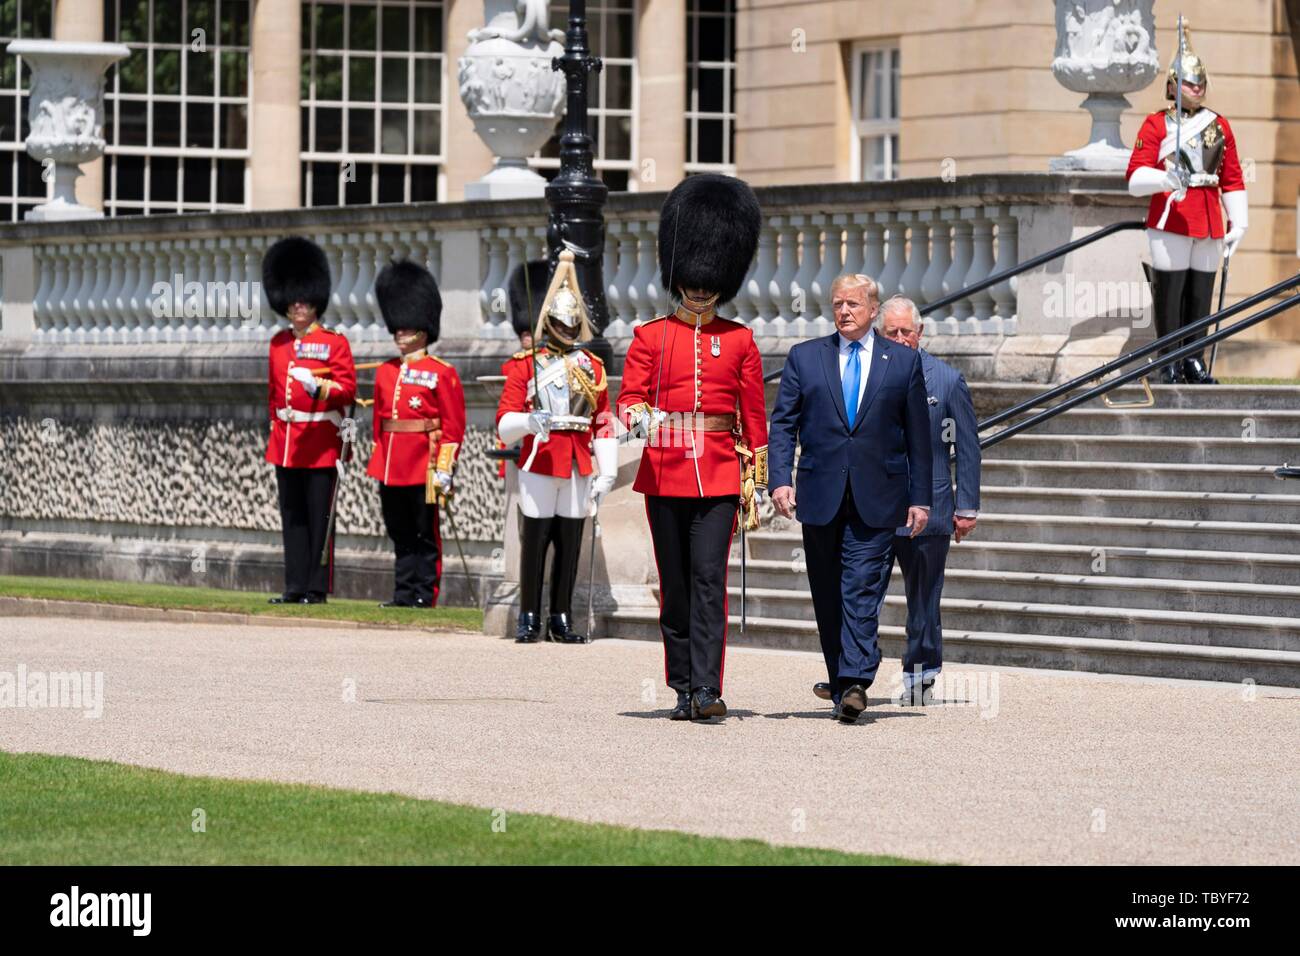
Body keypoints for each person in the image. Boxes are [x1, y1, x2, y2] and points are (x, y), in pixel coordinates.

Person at [618, 173, 767, 722]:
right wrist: (641, 420)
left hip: (722, 476)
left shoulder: (740, 339)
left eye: (710, 281)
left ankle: (707, 688)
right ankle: (680, 684)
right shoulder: (650, 336)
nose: (701, 288)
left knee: (710, 582)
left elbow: (754, 418)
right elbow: (629, 399)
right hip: (664, 473)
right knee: (676, 586)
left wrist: (762, 482)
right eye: (694, 279)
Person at [768, 274, 931, 724]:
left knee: (860, 587)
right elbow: (783, 425)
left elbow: (920, 437)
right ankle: (841, 681)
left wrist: (921, 499)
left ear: (873, 310)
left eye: (854, 304)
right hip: (820, 495)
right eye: (838, 303)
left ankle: (857, 678)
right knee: (827, 591)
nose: (844, 312)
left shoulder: (901, 362)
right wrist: (779, 480)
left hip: (878, 496)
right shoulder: (805, 358)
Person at [496, 251, 616, 644]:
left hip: (579, 461)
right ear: (548, 322)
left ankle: (561, 616)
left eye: (572, 323)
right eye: (562, 322)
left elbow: (601, 420)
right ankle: (529, 615)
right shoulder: (524, 364)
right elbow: (504, 421)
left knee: (569, 540)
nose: (567, 328)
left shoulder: (592, 367)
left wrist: (608, 469)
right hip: (541, 457)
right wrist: (528, 421)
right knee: (535, 538)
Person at [1126, 24, 1246, 385]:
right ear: (1173, 85)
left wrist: (1239, 222)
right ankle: (1168, 360)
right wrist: (1164, 179)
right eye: (1190, 83)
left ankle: (1194, 358)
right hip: (1172, 213)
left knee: (1200, 292)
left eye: (1200, 82)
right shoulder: (1156, 125)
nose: (1197, 88)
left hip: (1209, 216)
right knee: (1171, 289)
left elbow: (1232, 177)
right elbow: (1134, 178)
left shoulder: (1219, 125)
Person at [879, 296, 980, 706]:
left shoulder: (947, 380)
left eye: (907, 331)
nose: (900, 339)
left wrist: (966, 506)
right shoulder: (869, 375)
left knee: (924, 600)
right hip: (878, 507)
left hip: (934, 506)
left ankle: (921, 675)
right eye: (892, 332)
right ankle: (853, 672)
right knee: (862, 593)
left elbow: (969, 447)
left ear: (920, 334)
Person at [366, 259, 466, 608]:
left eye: (404, 329)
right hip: (391, 463)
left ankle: (425, 593)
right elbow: (380, 423)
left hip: (424, 462)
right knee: (399, 531)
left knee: (425, 533)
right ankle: (403, 592)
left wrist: (444, 467)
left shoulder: (442, 372)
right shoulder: (384, 372)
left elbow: (453, 428)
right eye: (397, 329)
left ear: (422, 331)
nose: (398, 335)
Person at [263, 236, 356, 605]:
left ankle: (315, 589)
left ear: (315, 302)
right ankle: (294, 585)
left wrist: (318, 388)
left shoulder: (335, 343)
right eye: (292, 300)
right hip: (286, 442)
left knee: (319, 518)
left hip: (319, 442)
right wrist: (275, 426)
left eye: (303, 299)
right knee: (293, 518)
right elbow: (272, 395)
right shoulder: (278, 343)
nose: (297, 306)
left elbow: (347, 389)